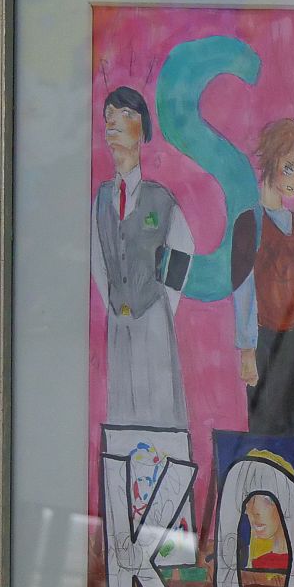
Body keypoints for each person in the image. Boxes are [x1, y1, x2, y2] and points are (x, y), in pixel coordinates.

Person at [90, 86, 193, 428]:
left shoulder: (161, 199)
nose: (115, 122)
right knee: (122, 407)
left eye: (126, 114)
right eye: (109, 115)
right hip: (118, 322)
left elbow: (183, 251)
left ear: (143, 130)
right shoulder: (101, 199)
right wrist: (115, 301)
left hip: (154, 317)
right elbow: (97, 260)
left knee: (159, 406)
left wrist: (161, 304)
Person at [228, 119, 294, 436]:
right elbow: (242, 290)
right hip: (262, 340)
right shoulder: (248, 222)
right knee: (263, 428)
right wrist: (247, 350)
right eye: (289, 168)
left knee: (292, 426)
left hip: (292, 338)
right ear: (270, 163)